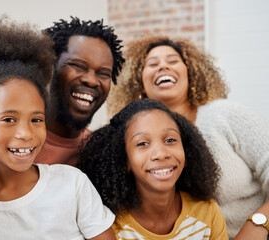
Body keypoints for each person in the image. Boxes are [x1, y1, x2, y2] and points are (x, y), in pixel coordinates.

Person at [0, 16, 125, 215]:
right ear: (47, 69)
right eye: (78, 66)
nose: (92, 81)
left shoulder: (98, 149)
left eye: (103, 73)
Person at [106, 35, 269, 239]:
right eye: (153, 64)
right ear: (138, 81)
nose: (163, 66)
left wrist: (257, 225)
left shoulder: (226, 115)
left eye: (173, 61)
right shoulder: (128, 135)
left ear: (191, 73)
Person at [79, 99, 229, 239]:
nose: (161, 154)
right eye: (142, 143)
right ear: (125, 161)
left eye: (170, 140)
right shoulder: (108, 227)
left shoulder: (207, 213)